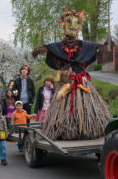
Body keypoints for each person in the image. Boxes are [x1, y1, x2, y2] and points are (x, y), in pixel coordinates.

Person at [32, 9, 109, 140]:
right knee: (62, 106)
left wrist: (100, 46)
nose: (72, 25)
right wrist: (42, 49)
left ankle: (87, 128)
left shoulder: (82, 45)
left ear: (79, 26)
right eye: (69, 21)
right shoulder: (59, 46)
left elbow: (93, 46)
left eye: (76, 22)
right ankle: (61, 129)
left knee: (85, 105)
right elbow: (51, 47)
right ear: (63, 24)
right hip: (65, 82)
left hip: (80, 80)